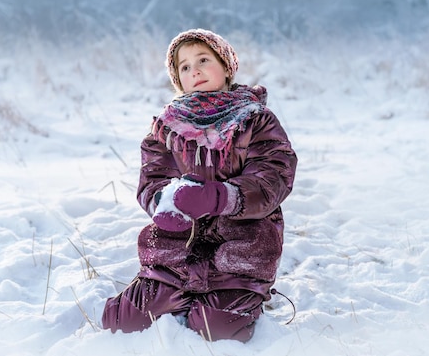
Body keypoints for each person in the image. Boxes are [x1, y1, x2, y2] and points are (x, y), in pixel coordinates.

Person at [101, 28, 297, 342]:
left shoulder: (255, 120)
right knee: (121, 323)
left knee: (214, 330)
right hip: (174, 253)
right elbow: (151, 180)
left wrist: (221, 197)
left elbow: (274, 177)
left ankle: (240, 300)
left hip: (239, 254)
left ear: (226, 65)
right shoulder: (166, 127)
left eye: (204, 59)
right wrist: (164, 201)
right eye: (185, 66)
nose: (195, 70)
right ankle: (176, 297)